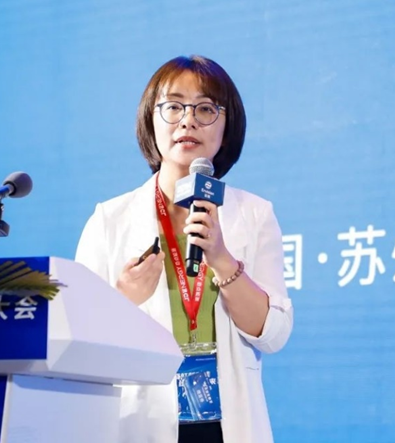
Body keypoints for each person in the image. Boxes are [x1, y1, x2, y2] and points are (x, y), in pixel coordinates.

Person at [75, 55, 293, 443]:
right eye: (174, 106)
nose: (188, 120)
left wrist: (221, 258)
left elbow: (273, 334)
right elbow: (77, 343)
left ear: (227, 127)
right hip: (138, 424)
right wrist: (123, 298)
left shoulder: (254, 215)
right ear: (151, 120)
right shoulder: (110, 219)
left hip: (228, 425)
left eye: (205, 108)